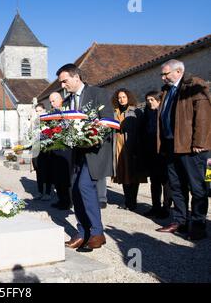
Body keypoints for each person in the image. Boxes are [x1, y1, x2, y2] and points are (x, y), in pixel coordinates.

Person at [58, 64, 113, 250]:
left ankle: (97, 233)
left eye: (65, 81)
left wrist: (91, 135)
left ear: (76, 77)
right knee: (75, 190)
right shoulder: (67, 102)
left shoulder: (98, 93)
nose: (63, 85)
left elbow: (107, 120)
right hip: (76, 153)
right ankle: (82, 233)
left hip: (94, 150)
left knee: (84, 186)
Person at [156, 59, 211, 241]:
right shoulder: (166, 91)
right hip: (172, 146)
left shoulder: (194, 85)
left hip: (191, 147)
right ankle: (180, 221)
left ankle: (198, 224)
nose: (163, 78)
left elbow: (203, 116)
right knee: (176, 186)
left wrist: (199, 142)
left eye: (166, 74)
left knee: (197, 187)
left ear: (178, 71)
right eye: (162, 74)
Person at [111, 88, 147, 211]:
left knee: (133, 174)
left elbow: (142, 130)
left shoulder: (136, 111)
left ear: (129, 98)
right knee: (123, 174)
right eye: (119, 97)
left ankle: (132, 202)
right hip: (118, 146)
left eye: (124, 97)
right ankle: (127, 201)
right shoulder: (114, 112)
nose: (121, 100)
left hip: (132, 147)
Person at [141, 91, 172, 219]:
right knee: (154, 181)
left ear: (159, 101)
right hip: (151, 152)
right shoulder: (147, 113)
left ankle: (166, 208)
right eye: (148, 100)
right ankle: (155, 207)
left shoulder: (164, 113)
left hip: (163, 152)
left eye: (152, 100)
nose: (149, 102)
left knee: (165, 182)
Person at [46, 92, 73, 209]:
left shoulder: (67, 111)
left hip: (66, 149)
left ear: (60, 99)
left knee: (66, 176)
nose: (52, 104)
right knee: (57, 176)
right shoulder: (51, 114)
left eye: (54, 101)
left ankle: (68, 201)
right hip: (54, 149)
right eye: (51, 102)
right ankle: (61, 199)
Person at [31, 103, 52, 200]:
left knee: (47, 171)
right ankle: (40, 192)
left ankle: (47, 193)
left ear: (44, 110)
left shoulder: (49, 119)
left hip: (46, 148)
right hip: (36, 148)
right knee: (38, 170)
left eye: (40, 110)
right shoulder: (35, 121)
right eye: (37, 111)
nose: (38, 113)